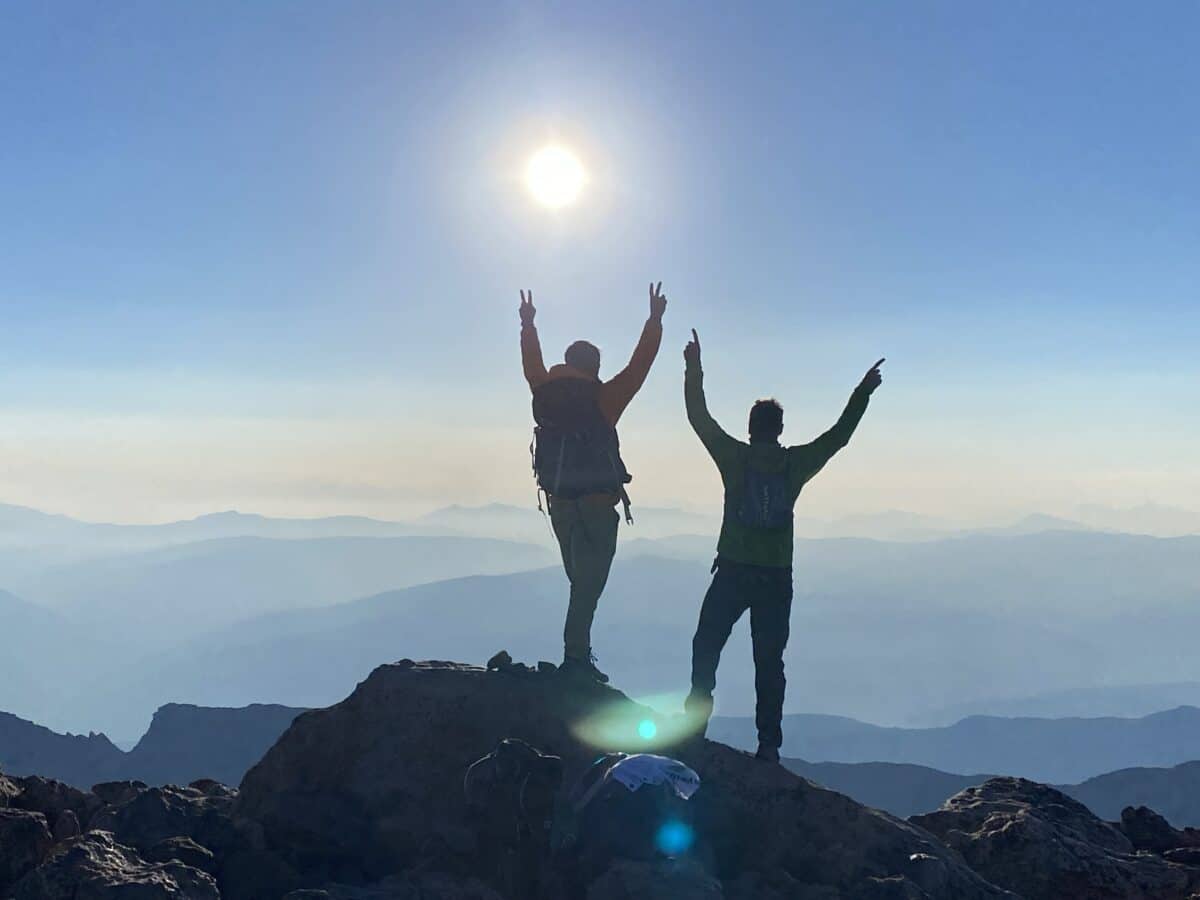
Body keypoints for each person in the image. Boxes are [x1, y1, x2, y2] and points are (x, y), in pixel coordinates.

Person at [681, 328, 884, 762]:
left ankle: (693, 726)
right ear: (780, 430)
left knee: (706, 646)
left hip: (732, 570)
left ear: (750, 429)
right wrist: (862, 392)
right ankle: (768, 745)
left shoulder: (733, 457)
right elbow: (838, 436)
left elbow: (698, 417)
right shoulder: (795, 464)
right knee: (769, 663)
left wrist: (693, 368)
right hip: (775, 577)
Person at [520, 283, 667, 683]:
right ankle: (576, 660)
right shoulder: (604, 398)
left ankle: (577, 655)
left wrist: (528, 325)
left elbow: (532, 365)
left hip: (559, 500)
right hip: (599, 502)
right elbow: (640, 367)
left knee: (579, 581)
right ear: (595, 367)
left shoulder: (544, 393)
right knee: (589, 583)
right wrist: (654, 321)